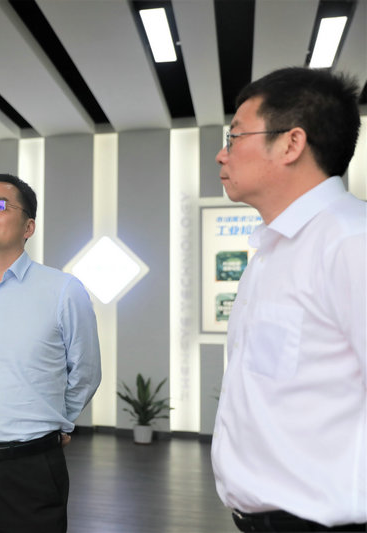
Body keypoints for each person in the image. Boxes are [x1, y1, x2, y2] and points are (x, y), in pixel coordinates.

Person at [211, 67, 366, 532]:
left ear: (291, 143)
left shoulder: (352, 242)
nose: (221, 154)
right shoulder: (271, 250)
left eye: (235, 136)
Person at [0, 173, 102, 533]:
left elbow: (86, 371)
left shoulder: (63, 290)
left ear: (29, 226)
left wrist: (57, 421)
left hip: (31, 468)